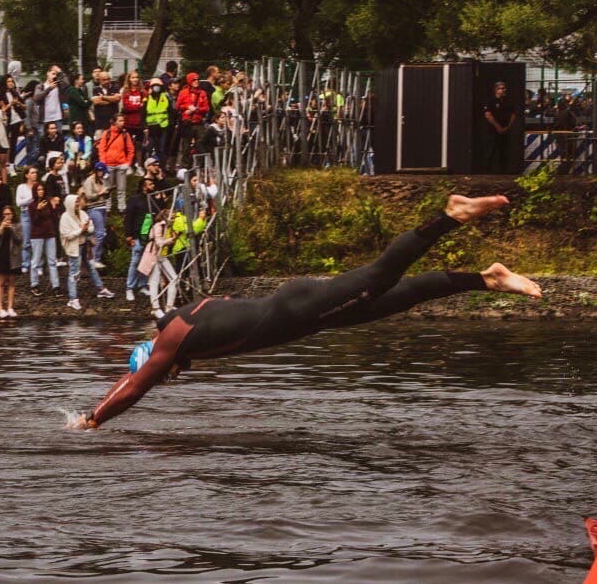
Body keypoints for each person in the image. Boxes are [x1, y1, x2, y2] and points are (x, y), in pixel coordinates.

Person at [72, 194, 544, 429]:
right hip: (308, 315)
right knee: (404, 296)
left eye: (167, 372)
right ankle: (488, 279)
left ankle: (452, 215)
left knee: (381, 275)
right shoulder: (189, 316)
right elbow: (134, 375)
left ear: (158, 355)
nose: (170, 376)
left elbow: (135, 385)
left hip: (302, 309)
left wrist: (94, 420)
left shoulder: (172, 341)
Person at [60, 193, 115, 310]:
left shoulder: (82, 213)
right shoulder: (65, 217)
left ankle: (100, 289)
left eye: (78, 201)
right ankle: (72, 298)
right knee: (74, 273)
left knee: (91, 267)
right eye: (75, 202)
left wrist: (86, 229)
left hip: (85, 246)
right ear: (70, 203)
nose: (77, 204)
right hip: (74, 248)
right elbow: (67, 235)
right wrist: (81, 230)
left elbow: (91, 227)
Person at [124, 176, 158, 300]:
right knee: (135, 261)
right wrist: (128, 235)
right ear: (144, 186)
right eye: (150, 184)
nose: (153, 186)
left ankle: (143, 285)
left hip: (149, 237)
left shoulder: (153, 199)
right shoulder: (135, 199)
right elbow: (129, 217)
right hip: (137, 235)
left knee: (147, 261)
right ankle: (129, 288)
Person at [142, 207, 178, 318]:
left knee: (174, 279)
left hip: (162, 256)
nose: (173, 219)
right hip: (154, 255)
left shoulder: (169, 227)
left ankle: (169, 306)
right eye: (172, 217)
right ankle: (155, 308)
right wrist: (171, 240)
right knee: (154, 281)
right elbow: (158, 242)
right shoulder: (158, 226)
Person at [28, 181, 61, 296]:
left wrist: (54, 207)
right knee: (36, 261)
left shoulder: (47, 202)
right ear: (35, 192)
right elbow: (34, 221)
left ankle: (56, 286)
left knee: (52, 261)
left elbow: (54, 218)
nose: (40, 192)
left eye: (42, 189)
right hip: (37, 235)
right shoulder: (32, 205)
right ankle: (34, 284)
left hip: (49, 234)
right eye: (38, 190)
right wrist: (38, 209)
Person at [98, 116, 135, 212]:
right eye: (120, 120)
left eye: (123, 120)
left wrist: (128, 162)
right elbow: (101, 149)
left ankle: (121, 208)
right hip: (108, 165)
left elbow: (130, 149)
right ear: (114, 122)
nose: (123, 122)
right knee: (107, 188)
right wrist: (103, 163)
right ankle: (107, 207)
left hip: (121, 165)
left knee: (121, 188)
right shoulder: (107, 133)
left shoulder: (125, 134)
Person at [0, 204, 22, 318]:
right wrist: (1, 228)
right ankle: (0, 308)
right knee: (1, 282)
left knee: (11, 283)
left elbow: (19, 240)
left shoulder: (18, 225)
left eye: (9, 214)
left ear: (13, 214)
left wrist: (11, 229)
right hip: (2, 255)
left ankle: (10, 307)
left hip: (13, 256)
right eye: (4, 214)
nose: (7, 216)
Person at [176, 73, 210, 169]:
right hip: (187, 123)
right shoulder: (183, 93)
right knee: (186, 146)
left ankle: (201, 166)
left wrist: (196, 109)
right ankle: (185, 167)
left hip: (199, 123)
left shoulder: (202, 93)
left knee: (201, 144)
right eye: (194, 80)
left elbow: (206, 108)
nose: (196, 81)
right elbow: (178, 106)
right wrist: (187, 107)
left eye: (197, 80)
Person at [78, 168, 109, 268]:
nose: (103, 174)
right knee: (99, 233)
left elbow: (105, 196)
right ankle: (95, 259)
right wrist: (100, 193)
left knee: (102, 233)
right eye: (102, 172)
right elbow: (89, 196)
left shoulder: (102, 180)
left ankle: (93, 257)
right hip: (94, 208)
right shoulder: (89, 181)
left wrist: (107, 192)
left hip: (103, 207)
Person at [15, 164, 39, 269]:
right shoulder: (21, 187)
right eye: (32, 173)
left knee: (37, 239)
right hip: (25, 214)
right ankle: (26, 263)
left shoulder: (38, 186)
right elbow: (18, 203)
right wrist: (30, 199)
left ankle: (37, 263)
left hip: (37, 213)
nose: (35, 175)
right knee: (26, 240)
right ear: (26, 175)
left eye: (35, 173)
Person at [145, 79, 170, 163]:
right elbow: (143, 113)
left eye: (158, 86)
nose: (156, 88)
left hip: (163, 127)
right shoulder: (147, 99)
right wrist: (145, 127)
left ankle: (161, 168)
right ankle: (150, 167)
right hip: (151, 128)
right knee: (150, 148)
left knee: (162, 148)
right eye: (155, 86)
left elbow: (170, 111)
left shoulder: (165, 97)